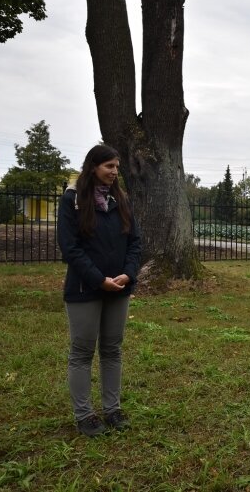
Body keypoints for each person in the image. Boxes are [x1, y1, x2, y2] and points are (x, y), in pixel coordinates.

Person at [57, 144, 142, 437]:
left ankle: (112, 410)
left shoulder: (122, 200)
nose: (115, 172)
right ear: (93, 166)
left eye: (117, 167)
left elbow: (135, 243)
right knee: (82, 352)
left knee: (112, 349)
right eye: (109, 167)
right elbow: (70, 248)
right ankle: (84, 416)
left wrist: (128, 275)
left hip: (119, 288)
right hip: (84, 289)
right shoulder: (73, 200)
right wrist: (98, 279)